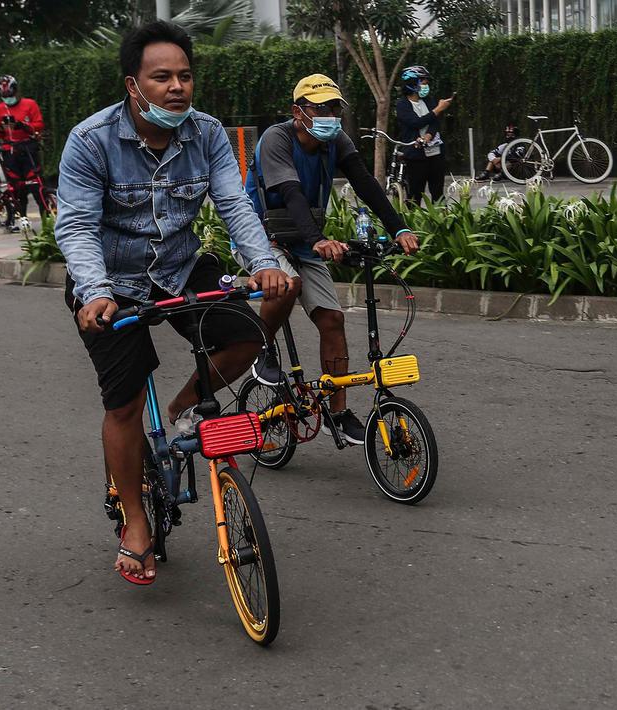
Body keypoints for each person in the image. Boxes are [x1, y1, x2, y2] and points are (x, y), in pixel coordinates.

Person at [55, 20, 294, 585]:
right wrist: (94, 294)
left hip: (181, 268)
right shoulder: (90, 141)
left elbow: (234, 204)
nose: (177, 87)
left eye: (185, 76)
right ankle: (135, 521)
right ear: (132, 85)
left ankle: (188, 407)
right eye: (161, 77)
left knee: (246, 337)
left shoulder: (206, 133)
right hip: (111, 285)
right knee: (124, 405)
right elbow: (78, 227)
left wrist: (264, 262)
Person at [243, 73, 420, 444]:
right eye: (320, 107)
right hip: (263, 237)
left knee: (333, 320)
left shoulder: (335, 139)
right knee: (288, 283)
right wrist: (319, 239)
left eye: (335, 107)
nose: (330, 114)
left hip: (306, 240)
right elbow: (289, 192)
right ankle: (261, 347)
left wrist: (399, 228)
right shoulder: (277, 138)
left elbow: (365, 184)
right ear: (298, 111)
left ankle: (336, 413)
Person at [0, 74, 47, 223]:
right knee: (18, 189)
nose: (8, 97)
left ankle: (47, 221)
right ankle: (22, 220)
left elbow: (39, 124)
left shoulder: (30, 104)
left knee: (36, 185)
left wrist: (24, 126)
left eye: (10, 93)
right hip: (10, 151)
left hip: (28, 148)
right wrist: (2, 129)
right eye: (4, 94)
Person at [395, 65, 453, 203]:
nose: (426, 86)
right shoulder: (402, 105)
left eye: (427, 83)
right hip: (416, 155)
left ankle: (441, 221)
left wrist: (428, 136)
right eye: (423, 82)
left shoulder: (428, 101)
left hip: (435, 152)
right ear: (412, 84)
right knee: (415, 194)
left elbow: (435, 122)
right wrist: (438, 109)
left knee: (438, 193)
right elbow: (416, 122)